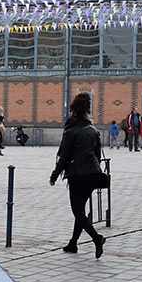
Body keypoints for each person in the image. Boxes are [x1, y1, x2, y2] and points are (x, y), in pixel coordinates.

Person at [49, 93, 106, 259]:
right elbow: (98, 155)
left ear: (73, 110)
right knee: (80, 209)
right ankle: (73, 243)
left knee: (78, 212)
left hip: (77, 175)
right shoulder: (93, 130)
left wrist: (55, 174)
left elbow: (64, 156)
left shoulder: (71, 131)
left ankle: (97, 238)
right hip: (92, 174)